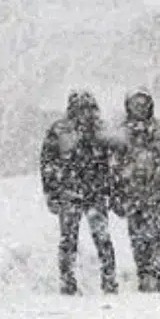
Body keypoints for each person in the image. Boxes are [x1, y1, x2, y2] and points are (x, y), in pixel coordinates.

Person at [40, 90, 118, 295]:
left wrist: (111, 189)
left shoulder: (100, 131)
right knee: (70, 240)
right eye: (80, 108)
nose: (84, 113)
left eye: (87, 108)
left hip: (92, 192)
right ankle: (68, 281)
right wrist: (51, 192)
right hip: (72, 193)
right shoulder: (60, 130)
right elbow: (48, 163)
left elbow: (113, 163)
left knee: (100, 239)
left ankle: (108, 280)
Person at [111, 89, 160, 292]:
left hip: (155, 195)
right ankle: (143, 274)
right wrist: (115, 194)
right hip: (131, 195)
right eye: (136, 104)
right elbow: (113, 168)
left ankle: (156, 275)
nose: (140, 108)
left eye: (143, 104)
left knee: (155, 237)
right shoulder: (121, 135)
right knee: (137, 238)